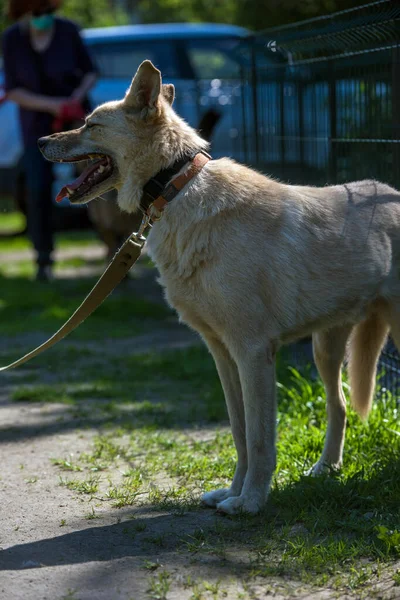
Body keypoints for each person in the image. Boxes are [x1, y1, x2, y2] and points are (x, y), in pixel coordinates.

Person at [2, 0, 97, 281]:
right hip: (36, 126)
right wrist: (51, 105)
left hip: (76, 119)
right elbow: (13, 90)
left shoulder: (67, 31)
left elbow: (91, 72)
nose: (44, 18)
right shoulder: (11, 39)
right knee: (37, 187)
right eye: (37, 13)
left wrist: (73, 99)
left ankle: (111, 241)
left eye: (48, 12)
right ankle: (43, 257)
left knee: (97, 178)